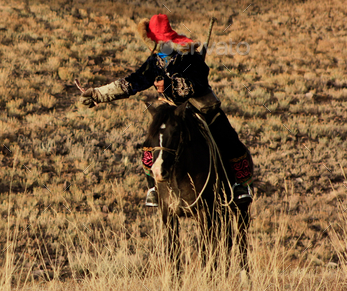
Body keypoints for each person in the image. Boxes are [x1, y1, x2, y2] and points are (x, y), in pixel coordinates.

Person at [78, 14, 253, 207]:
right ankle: (153, 187)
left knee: (229, 139)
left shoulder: (190, 56)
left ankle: (240, 185)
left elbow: (196, 84)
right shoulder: (155, 61)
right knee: (149, 144)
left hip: (203, 107)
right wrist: (98, 95)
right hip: (172, 110)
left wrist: (169, 85)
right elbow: (132, 82)